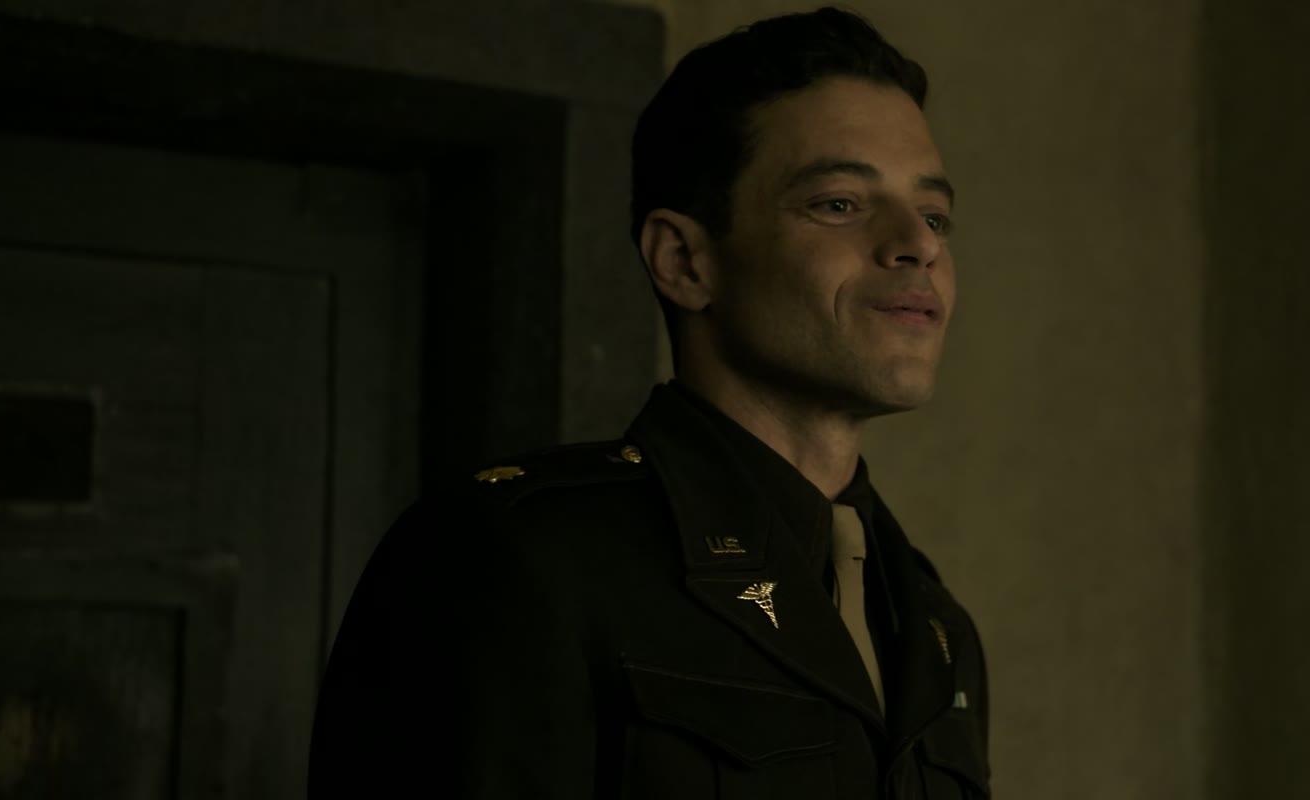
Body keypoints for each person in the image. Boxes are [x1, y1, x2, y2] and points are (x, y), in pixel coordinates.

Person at [306, 7, 990, 798]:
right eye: (839, 203)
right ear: (684, 261)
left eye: (934, 215)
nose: (919, 244)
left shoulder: (934, 624)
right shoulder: (516, 557)